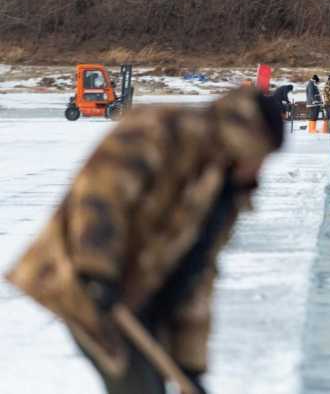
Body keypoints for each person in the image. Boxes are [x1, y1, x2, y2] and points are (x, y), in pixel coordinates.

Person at [6, 88, 285, 394]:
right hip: (78, 277)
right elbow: (101, 193)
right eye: (260, 155)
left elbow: (197, 277)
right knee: (138, 387)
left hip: (142, 293)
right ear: (244, 138)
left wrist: (189, 366)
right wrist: (96, 270)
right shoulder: (161, 130)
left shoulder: (225, 192)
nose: (259, 168)